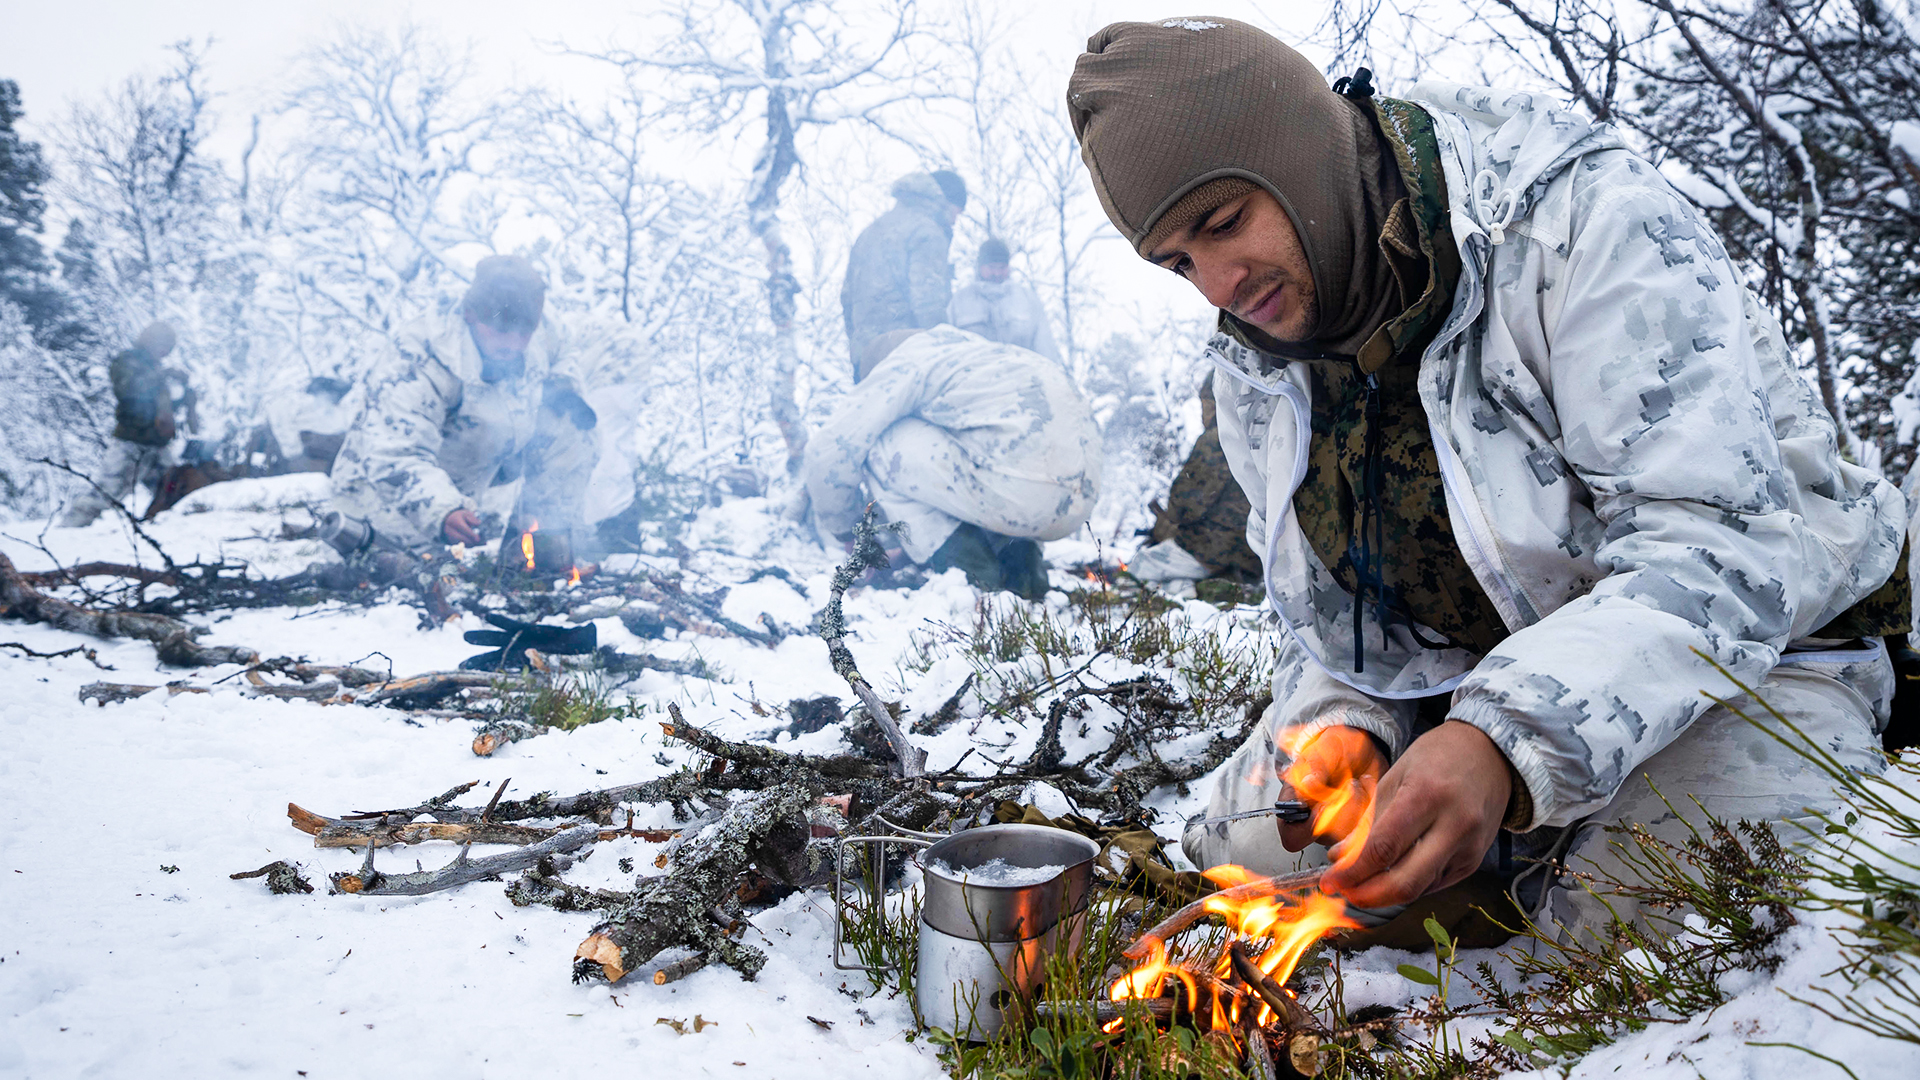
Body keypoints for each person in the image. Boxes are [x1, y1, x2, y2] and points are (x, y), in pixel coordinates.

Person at [1066, 19, 1909, 938]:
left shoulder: (1575, 221)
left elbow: (1720, 546)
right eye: (1180, 262)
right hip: (1474, 677)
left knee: (1647, 921)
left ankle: (1547, 865)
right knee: (1244, 844)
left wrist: (1505, 743)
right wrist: (1348, 724)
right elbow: (1330, 612)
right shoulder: (1265, 362)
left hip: (1752, 662)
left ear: (1303, 159)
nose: (1220, 285)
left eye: (1226, 224)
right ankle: (1495, 859)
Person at [326, 255, 598, 558]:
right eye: (500, 330)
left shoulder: (543, 327)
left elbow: (563, 352)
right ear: (470, 315)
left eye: (524, 333)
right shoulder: (416, 358)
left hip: (479, 465)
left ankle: (537, 552)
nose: (514, 343)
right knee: (409, 573)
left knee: (572, 426)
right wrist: (442, 510)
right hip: (385, 494)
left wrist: (561, 386)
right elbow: (394, 453)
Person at [803, 325, 1101, 600]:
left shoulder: (906, 361)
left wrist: (847, 533)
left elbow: (828, 450)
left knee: (881, 444)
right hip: (1079, 499)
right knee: (985, 448)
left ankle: (975, 581)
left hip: (1020, 489)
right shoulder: (977, 356)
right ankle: (1023, 575)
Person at [1132, 373, 1263, 589]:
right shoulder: (1256, 439)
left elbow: (1186, 502)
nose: (1203, 412)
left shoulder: (1217, 438)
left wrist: (1168, 524)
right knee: (1175, 579)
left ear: (1216, 403)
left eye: (1205, 404)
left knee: (1141, 564)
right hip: (1252, 556)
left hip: (1211, 549)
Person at [58, 321, 183, 526]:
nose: (164, 351)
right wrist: (162, 378)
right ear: (149, 341)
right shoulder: (127, 361)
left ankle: (168, 532)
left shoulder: (155, 367)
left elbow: (159, 403)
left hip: (158, 443)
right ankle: (66, 530)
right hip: (130, 442)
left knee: (174, 489)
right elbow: (129, 391)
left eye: (168, 347)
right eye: (162, 344)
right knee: (104, 493)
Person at [841, 170, 967, 372]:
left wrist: (859, 349)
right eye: (957, 212)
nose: (954, 221)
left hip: (866, 356)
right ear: (944, 201)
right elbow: (928, 302)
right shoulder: (927, 232)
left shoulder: (870, 232)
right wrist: (947, 353)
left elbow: (847, 298)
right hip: (908, 355)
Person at [947, 238, 1061, 361]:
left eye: (1001, 267)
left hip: (1021, 375)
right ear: (980, 267)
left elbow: (1044, 345)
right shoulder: (961, 301)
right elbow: (949, 346)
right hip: (974, 376)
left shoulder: (1026, 300)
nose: (997, 273)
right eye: (991, 267)